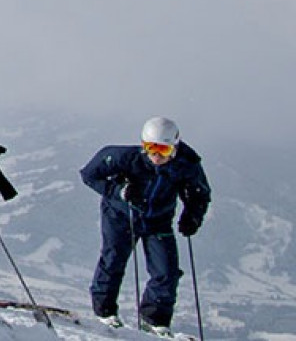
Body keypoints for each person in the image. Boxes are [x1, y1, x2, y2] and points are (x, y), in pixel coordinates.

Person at [80, 117, 212, 336]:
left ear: (175, 147)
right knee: (113, 260)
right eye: (150, 147)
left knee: (166, 271)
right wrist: (118, 191)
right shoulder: (124, 158)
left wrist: (192, 217)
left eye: (163, 149)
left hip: (157, 221)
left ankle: (154, 319)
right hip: (120, 216)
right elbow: (89, 174)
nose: (156, 155)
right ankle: (104, 312)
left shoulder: (186, 165)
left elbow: (199, 195)